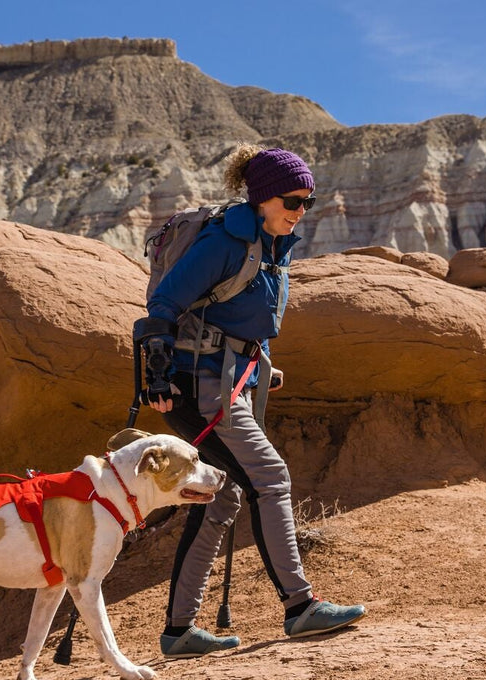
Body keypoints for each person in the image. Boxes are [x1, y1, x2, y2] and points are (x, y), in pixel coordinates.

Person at [136, 145, 367, 658]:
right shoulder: (226, 240)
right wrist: (157, 376)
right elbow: (164, 304)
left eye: (308, 201)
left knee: (222, 494)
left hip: (227, 380)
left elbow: (239, 320)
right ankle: (300, 605)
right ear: (263, 197)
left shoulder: (270, 245)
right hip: (197, 388)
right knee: (271, 476)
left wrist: (260, 366)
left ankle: (179, 632)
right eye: (292, 200)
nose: (300, 210)